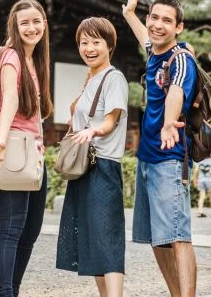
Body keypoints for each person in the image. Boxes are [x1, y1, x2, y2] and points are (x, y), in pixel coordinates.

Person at [121, 0, 198, 297]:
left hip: (170, 159)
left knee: (178, 236)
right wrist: (129, 14)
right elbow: (145, 36)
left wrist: (169, 122)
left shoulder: (180, 59)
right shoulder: (155, 52)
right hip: (147, 158)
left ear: (179, 27)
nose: (157, 25)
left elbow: (177, 90)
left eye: (167, 20)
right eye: (154, 17)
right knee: (158, 238)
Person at [55, 17, 129, 297]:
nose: (89, 48)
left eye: (96, 42)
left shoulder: (115, 78)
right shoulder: (91, 80)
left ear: (109, 45)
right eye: (83, 42)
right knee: (92, 241)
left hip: (104, 166)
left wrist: (94, 131)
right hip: (85, 169)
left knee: (107, 238)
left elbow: (111, 120)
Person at [0, 0, 52, 297]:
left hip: (34, 151)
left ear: (44, 24)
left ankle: (12, 289)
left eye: (36, 21)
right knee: (11, 228)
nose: (31, 27)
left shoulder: (35, 59)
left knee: (31, 230)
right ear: (15, 25)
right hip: (11, 146)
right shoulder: (11, 56)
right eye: (24, 22)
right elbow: (10, 99)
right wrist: (0, 138)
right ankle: (5, 293)